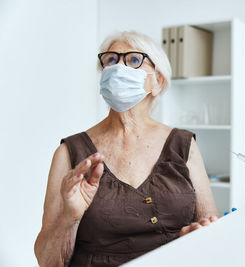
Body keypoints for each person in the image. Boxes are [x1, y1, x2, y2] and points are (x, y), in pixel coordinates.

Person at [34, 31, 219, 267]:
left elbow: (210, 228)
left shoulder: (183, 145)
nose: (118, 68)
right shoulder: (70, 153)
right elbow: (47, 262)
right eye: (111, 60)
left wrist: (194, 237)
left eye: (133, 60)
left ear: (158, 82)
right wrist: (69, 217)